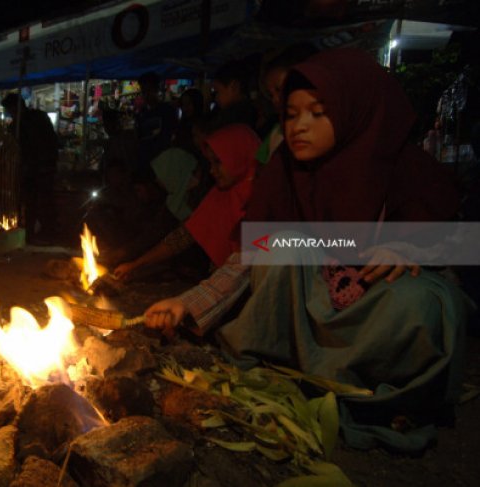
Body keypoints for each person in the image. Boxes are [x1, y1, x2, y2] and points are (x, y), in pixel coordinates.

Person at [144, 48, 468, 451]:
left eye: (317, 112)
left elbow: (458, 241)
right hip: (311, 312)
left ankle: (382, 395)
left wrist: (409, 246)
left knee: (424, 303)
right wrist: (187, 303)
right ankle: (297, 366)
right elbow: (250, 257)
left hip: (374, 311)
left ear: (356, 111)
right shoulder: (284, 171)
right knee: (278, 246)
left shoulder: (406, 166)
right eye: (292, 114)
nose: (299, 125)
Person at [114, 123, 260, 281]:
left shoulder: (268, 200)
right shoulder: (220, 195)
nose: (211, 170)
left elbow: (258, 264)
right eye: (210, 163)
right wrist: (135, 264)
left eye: (218, 162)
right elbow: (183, 236)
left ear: (237, 156)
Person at [1, 93, 59, 244]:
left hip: (38, 168)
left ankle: (41, 234)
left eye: (10, 110)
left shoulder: (29, 121)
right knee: (34, 204)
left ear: (16, 107)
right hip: (35, 168)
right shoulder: (22, 122)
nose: (10, 113)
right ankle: (36, 234)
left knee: (38, 203)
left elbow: (48, 142)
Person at [255, 43, 319, 165]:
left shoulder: (319, 128)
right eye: (271, 94)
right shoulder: (277, 130)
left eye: (279, 89)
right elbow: (261, 164)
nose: (275, 99)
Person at [134, 72, 178, 174]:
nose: (146, 95)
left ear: (157, 90)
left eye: (149, 90)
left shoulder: (167, 110)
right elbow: (139, 138)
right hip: (145, 163)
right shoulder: (141, 113)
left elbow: (171, 135)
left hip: (163, 163)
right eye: (143, 91)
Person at [209, 59, 257, 131]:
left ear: (234, 86)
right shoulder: (252, 113)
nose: (216, 98)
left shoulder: (233, 118)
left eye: (217, 91)